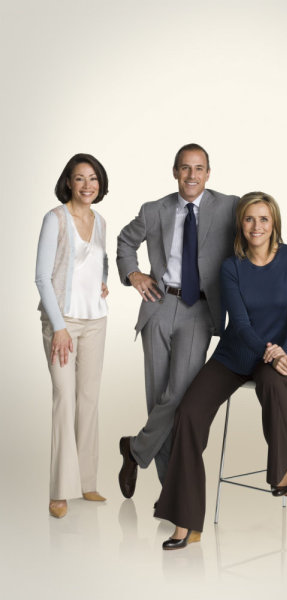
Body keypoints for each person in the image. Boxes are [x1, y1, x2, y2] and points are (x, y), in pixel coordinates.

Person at [154, 191, 287, 550]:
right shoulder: (231, 266)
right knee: (189, 414)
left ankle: (281, 468)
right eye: (249, 219)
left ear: (275, 224)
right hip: (236, 355)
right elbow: (238, 323)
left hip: (282, 356)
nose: (257, 226)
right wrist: (269, 352)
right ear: (241, 224)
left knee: (272, 386)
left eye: (264, 219)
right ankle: (185, 520)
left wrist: (281, 352)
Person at [116, 144, 239, 495]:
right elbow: (126, 242)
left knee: (178, 394)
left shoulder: (229, 205)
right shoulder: (155, 209)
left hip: (199, 310)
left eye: (199, 168)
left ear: (208, 173)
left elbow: (261, 227)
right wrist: (134, 274)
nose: (191, 176)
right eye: (185, 168)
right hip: (159, 304)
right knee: (158, 398)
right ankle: (170, 491)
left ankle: (134, 448)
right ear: (175, 172)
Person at [35, 153, 109, 518]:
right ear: (69, 182)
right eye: (79, 179)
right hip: (62, 322)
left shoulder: (100, 221)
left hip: (96, 320)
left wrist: (104, 282)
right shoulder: (55, 219)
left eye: (92, 178)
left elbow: (100, 261)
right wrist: (59, 328)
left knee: (89, 399)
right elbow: (42, 278)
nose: (87, 186)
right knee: (65, 399)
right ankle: (59, 490)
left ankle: (87, 482)